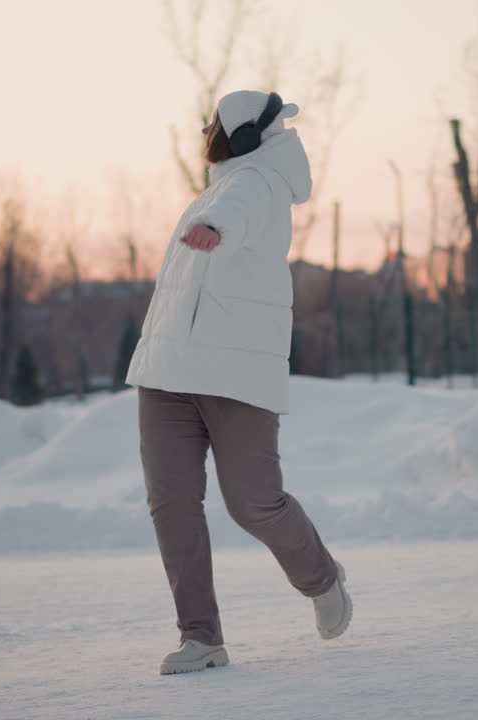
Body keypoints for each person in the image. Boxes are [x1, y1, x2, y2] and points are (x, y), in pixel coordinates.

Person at [126, 90, 351, 675]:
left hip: (235, 373)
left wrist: (212, 224)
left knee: (253, 502)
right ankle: (201, 637)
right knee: (171, 501)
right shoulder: (221, 184)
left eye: (213, 121)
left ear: (244, 133)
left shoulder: (259, 183)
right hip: (169, 371)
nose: (205, 128)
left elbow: (238, 210)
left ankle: (321, 577)